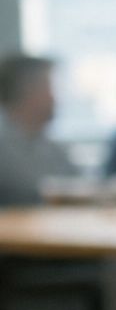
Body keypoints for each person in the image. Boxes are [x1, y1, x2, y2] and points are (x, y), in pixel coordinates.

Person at [0, 54, 75, 206]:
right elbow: (34, 189)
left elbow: (78, 185)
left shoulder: (49, 145)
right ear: (26, 91)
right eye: (48, 87)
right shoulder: (4, 147)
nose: (54, 99)